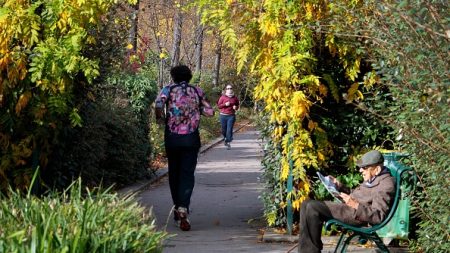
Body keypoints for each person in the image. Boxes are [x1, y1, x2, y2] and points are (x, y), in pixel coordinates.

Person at [298, 150, 395, 253]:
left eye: (365, 168)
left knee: (312, 207)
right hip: (350, 209)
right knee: (306, 203)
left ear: (377, 169)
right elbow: (359, 194)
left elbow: (378, 216)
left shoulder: (386, 184)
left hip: (357, 216)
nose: (361, 170)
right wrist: (339, 186)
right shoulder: (374, 177)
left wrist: (355, 205)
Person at [155, 65, 214, 231]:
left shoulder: (168, 89)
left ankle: (177, 208)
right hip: (191, 138)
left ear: (173, 76)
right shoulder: (197, 91)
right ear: (189, 76)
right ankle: (183, 207)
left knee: (174, 172)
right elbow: (210, 112)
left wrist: (160, 119)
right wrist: (198, 109)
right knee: (187, 173)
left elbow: (159, 104)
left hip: (172, 138)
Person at [217, 85, 240, 150]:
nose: (229, 89)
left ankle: (228, 142)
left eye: (230, 88)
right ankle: (225, 138)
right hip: (223, 116)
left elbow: (237, 105)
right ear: (226, 90)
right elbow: (219, 106)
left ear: (232, 89)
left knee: (229, 130)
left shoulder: (235, 98)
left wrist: (236, 107)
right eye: (228, 88)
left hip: (231, 116)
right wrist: (225, 104)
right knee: (223, 130)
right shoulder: (222, 97)